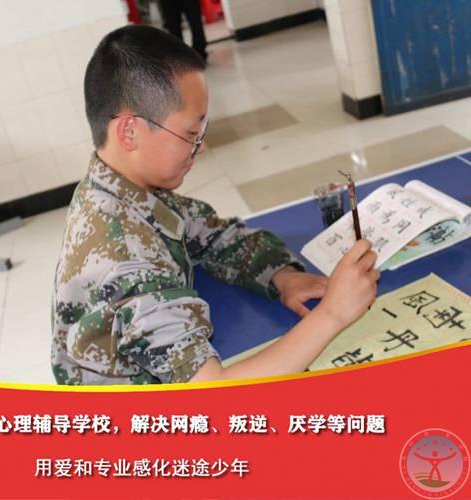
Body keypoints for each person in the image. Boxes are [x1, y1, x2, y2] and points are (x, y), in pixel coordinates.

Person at [51, 25, 379, 385]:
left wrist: (281, 275)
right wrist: (333, 314)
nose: (201, 147)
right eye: (190, 134)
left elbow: (211, 234)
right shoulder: (122, 256)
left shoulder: (127, 187)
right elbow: (212, 393)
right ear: (129, 132)